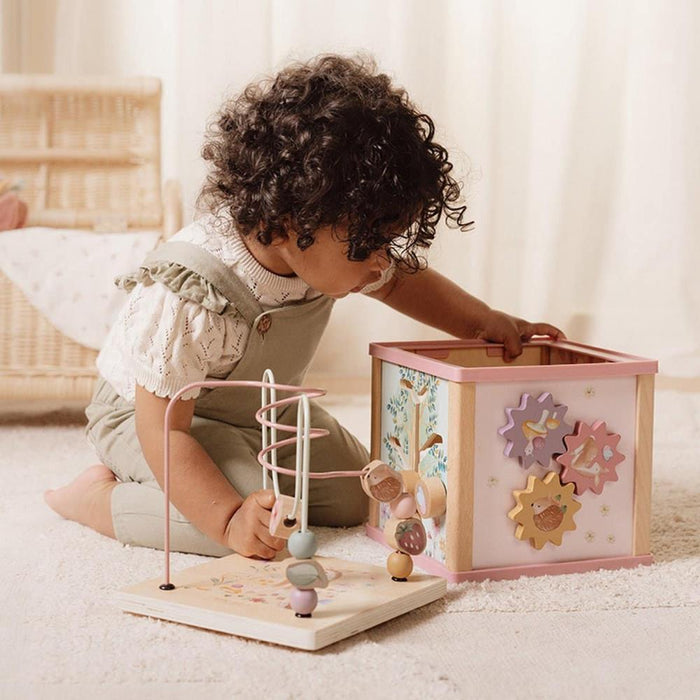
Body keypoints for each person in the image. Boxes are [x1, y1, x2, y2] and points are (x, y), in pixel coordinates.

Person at [45, 54, 564, 559]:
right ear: (295, 220)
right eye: (369, 247)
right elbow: (165, 430)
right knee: (248, 523)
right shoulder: (193, 293)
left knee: (357, 496)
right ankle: (95, 499)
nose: (381, 261)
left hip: (264, 411)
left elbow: (404, 284)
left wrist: (483, 322)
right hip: (153, 418)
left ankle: (239, 480)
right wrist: (227, 519)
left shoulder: (325, 246)